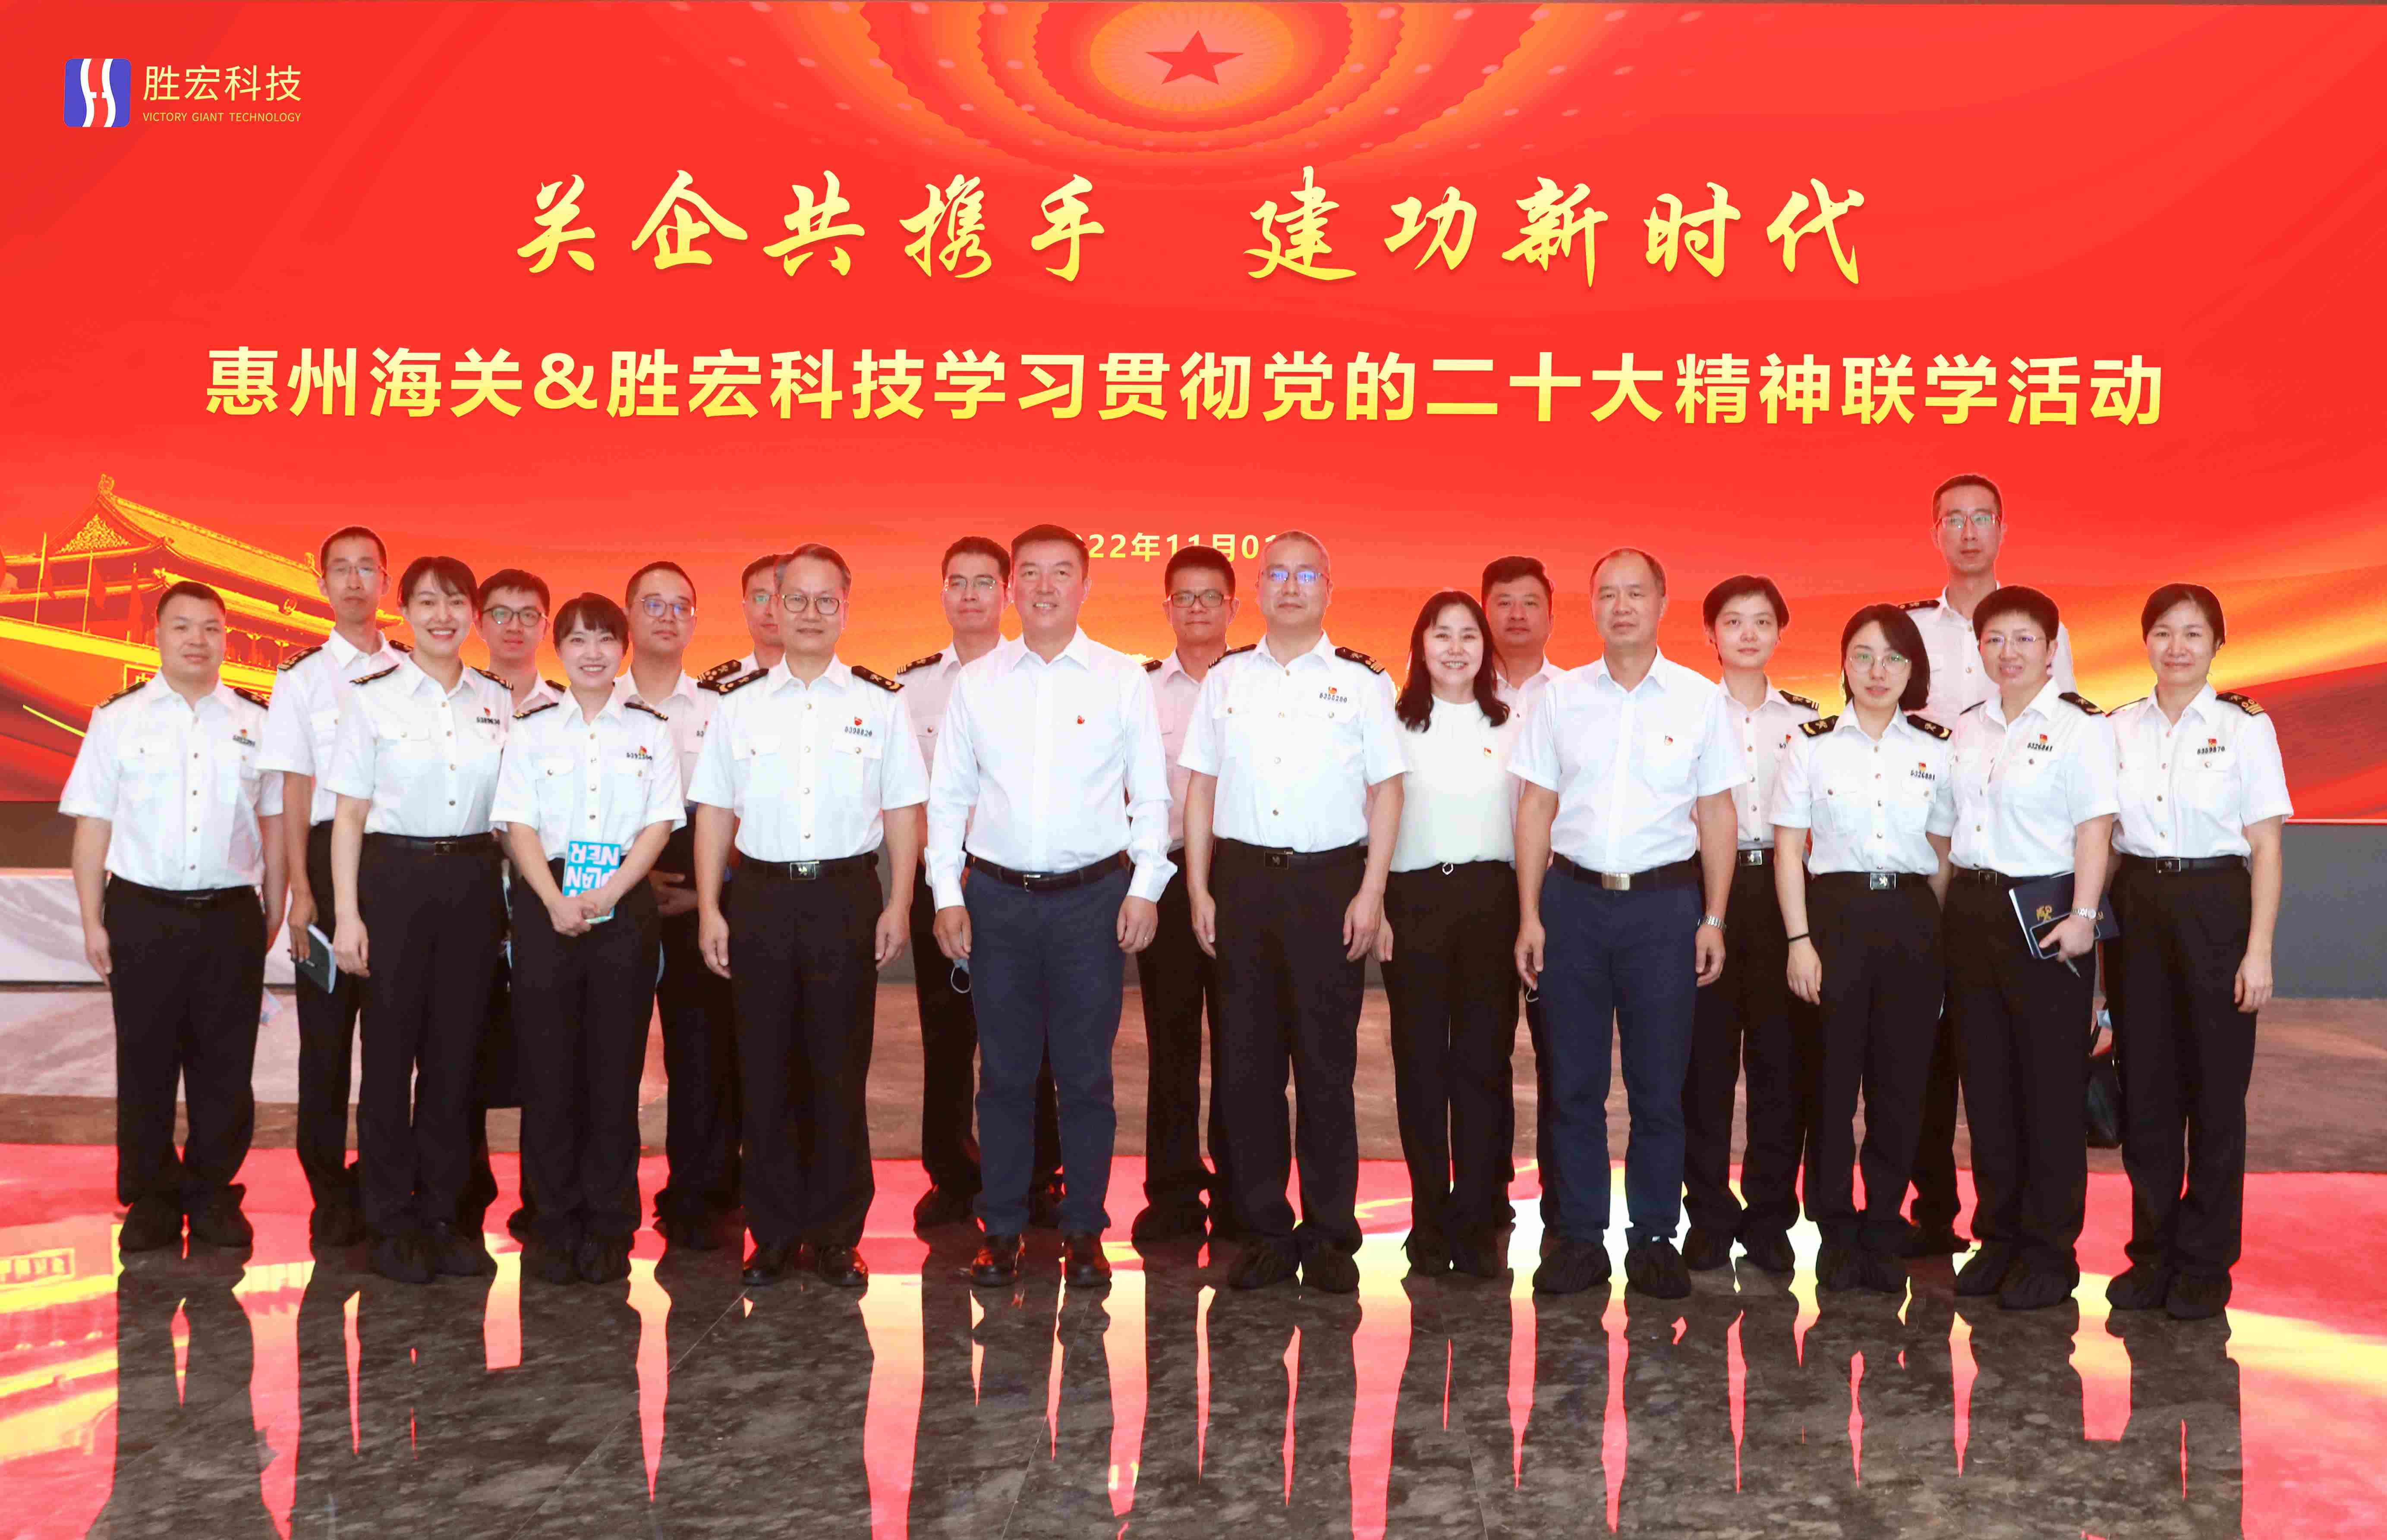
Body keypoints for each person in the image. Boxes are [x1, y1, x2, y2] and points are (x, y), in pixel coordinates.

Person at [928, 524, 1171, 1291]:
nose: (1043, 586)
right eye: (1029, 572)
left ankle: (1084, 1230)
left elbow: (1151, 794)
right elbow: (949, 797)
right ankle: (1000, 1229)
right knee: (1002, 1075)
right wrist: (945, 893)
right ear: (1012, 587)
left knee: (1085, 1077)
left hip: (1091, 903)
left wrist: (1145, 886)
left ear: (1085, 585)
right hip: (997, 899)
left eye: (1060, 572)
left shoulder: (1121, 679)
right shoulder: (978, 682)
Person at [691, 543, 925, 1288]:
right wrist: (710, 908)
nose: (811, 613)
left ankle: (834, 1233)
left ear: (846, 609)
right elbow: (714, 812)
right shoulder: (737, 706)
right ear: (774, 606)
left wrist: (899, 900)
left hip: (844, 896)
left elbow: (903, 810)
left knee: (838, 1066)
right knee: (763, 1067)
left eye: (827, 600)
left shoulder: (879, 704)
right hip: (759, 897)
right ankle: (772, 1230)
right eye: (796, 599)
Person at [1512, 547, 1743, 1301]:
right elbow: (1535, 807)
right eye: (1607, 593)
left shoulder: (1700, 699)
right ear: (1592, 605)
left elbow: (1717, 812)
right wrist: (1529, 913)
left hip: (1663, 909)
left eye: (1635, 593)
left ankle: (1652, 1236)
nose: (1621, 606)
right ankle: (1580, 1237)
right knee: (1573, 1083)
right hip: (1572, 903)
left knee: (1658, 1086)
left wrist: (1714, 915)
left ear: (1662, 602)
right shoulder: (1560, 698)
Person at [1181, 529, 1404, 1294]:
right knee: (1247, 1067)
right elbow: (1201, 787)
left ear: (1328, 589)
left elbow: (1388, 791)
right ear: (1258, 588)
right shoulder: (1226, 679)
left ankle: (1331, 1232)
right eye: (1276, 572)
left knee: (1324, 1067)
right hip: (1242, 884)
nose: (1289, 585)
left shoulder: (1362, 682)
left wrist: (1372, 889)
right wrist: (1200, 888)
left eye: (1305, 574)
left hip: (1329, 885)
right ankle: (1266, 1230)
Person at [63, 581, 286, 1254]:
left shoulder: (256, 721)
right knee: (145, 1062)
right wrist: (91, 921)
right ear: (156, 635)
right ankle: (152, 1198)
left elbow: (274, 827)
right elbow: (92, 828)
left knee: (226, 1065)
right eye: (183, 626)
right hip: (142, 913)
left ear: (226, 638)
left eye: (211, 628)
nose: (197, 639)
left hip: (229, 915)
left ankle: (213, 1193)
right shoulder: (117, 719)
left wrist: (275, 908)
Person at [324, 555, 514, 1285]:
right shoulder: (372, 699)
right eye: (428, 602)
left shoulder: (496, 701)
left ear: (474, 615)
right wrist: (348, 914)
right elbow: (348, 815)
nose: (443, 615)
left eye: (456, 602)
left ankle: (443, 1214)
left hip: (472, 881)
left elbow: (513, 816)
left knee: (454, 1059)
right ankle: (388, 1219)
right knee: (388, 1058)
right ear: (403, 611)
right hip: (393, 881)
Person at [1901, 472, 2077, 1257]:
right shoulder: (1912, 628)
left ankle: (2034, 1238)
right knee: (1935, 1055)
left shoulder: (2042, 622)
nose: (1968, 531)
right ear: (1934, 531)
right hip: (1931, 857)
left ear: (2003, 528)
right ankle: (1935, 1212)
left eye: (1982, 518)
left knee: (2023, 1068)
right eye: (1953, 518)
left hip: (2029, 877)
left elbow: (2066, 744)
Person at [2103, 584, 2290, 1321]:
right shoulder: (2118, 727)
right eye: (2163, 632)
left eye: (2192, 633)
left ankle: (2206, 1260)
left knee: (2215, 1093)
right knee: (2145, 1091)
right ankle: (2151, 1252)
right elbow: (2102, 838)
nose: (2176, 647)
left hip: (2217, 905)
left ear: (2217, 643)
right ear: (2145, 640)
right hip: (2138, 904)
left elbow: (2266, 846)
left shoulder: (2245, 726)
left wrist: (2258, 951)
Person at [493, 593, 682, 1285]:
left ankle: (608, 1224)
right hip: (547, 903)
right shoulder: (532, 727)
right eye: (577, 640)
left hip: (623, 908)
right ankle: (551, 1223)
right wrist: (553, 900)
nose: (592, 653)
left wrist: (610, 894)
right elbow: (516, 823)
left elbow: (659, 823)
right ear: (560, 650)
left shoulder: (652, 729)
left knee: (613, 1074)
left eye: (605, 639)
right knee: (547, 1074)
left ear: (622, 649)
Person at [1771, 603, 1955, 1294]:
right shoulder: (1810, 744)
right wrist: (1799, 941)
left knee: (1900, 1084)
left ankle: (1883, 1225)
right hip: (1833, 917)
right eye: (1864, 656)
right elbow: (1789, 851)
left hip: (1910, 917)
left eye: (1895, 658)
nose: (1879, 671)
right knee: (1829, 1081)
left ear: (1913, 670)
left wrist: (1929, 934)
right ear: (1844, 664)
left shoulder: (1936, 748)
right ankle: (1836, 1229)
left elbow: (1941, 855)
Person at [1943, 584, 2117, 1311]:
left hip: (2047, 919)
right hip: (1973, 911)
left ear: (2051, 648)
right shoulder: (1967, 727)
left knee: (2048, 1090)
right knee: (1986, 1087)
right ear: (1979, 648)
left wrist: (2084, 915)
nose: (2008, 652)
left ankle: (2049, 1251)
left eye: (2024, 639)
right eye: (1995, 639)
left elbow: (2094, 828)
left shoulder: (2080, 728)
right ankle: (2000, 1237)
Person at [898, 535, 1065, 1232]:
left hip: (1020, 882)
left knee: (1032, 1037)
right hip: (939, 883)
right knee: (946, 1035)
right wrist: (941, 874)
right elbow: (903, 797)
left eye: (983, 582)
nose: (969, 595)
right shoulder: (911, 688)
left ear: (1007, 593)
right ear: (942, 592)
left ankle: (1038, 1176)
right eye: (957, 582)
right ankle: (951, 1172)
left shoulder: (1039, 676)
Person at [258, 524, 394, 1249]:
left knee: (393, 1037)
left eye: (367, 568)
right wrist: (300, 895)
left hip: (394, 864)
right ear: (321, 584)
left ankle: (382, 1181)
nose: (354, 581)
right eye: (340, 568)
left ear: (386, 581)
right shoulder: (302, 678)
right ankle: (327, 1188)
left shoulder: (411, 671)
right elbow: (291, 788)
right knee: (325, 1043)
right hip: (320, 859)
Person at [1681, 576, 1821, 1275]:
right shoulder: (1684, 712)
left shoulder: (1807, 720)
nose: (1746, 633)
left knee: (1780, 1064)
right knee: (1703, 1066)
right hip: (1703, 890)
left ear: (1779, 631)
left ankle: (1769, 1218)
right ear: (1709, 633)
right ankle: (1707, 1216)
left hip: (1782, 891)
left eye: (1761, 621)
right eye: (1732, 621)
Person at [1380, 590, 1521, 1279]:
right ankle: (1429, 1217)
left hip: (1492, 900)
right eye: (1442, 634)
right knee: (1420, 1064)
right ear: (1421, 645)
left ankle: (1476, 1217)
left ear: (1485, 648)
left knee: (1482, 1064)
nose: (1456, 648)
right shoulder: (1391, 723)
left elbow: (1534, 820)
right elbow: (1371, 816)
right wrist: (1374, 903)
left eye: (1469, 634)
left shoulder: (1514, 723)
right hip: (1413, 902)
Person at [614, 560, 742, 1250]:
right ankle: (607, 1198)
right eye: (653, 604)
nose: (668, 617)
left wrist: (705, 890)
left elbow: (741, 810)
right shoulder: (595, 701)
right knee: (609, 1054)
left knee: (703, 1055)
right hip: (611, 888)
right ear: (628, 615)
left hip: (702, 890)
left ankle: (697, 1196)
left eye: (681, 606)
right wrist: (630, 886)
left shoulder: (721, 709)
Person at [1131, 543, 1242, 1244]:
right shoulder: (1139, 689)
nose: (1197, 608)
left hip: (1245, 880)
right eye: (1184, 596)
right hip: (1166, 879)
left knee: (1243, 1038)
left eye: (1210, 596)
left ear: (1233, 606)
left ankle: (1239, 1188)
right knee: (1169, 1038)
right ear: (1167, 607)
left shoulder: (1257, 682)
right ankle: (1172, 1191)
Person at [459, 565, 559, 1240]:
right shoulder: (455, 702)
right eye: (500, 613)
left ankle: (543, 1199)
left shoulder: (568, 709)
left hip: (546, 897)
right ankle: (462, 1194)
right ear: (479, 622)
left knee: (547, 1053)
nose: (514, 626)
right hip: (466, 893)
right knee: (458, 1045)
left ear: (546, 625)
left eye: (528, 614)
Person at [1480, 554, 1565, 1231]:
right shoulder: (1453, 691)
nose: (1516, 614)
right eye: (1503, 601)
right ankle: (1487, 1189)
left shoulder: (1575, 696)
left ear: (1550, 614)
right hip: (1479, 889)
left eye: (1529, 601)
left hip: (1559, 893)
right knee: (1484, 1050)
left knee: (1562, 1051)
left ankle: (1565, 1194)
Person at [697, 553, 786, 688]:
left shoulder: (821, 680)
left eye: (781, 598)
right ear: (745, 608)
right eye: (761, 598)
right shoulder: (716, 687)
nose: (772, 611)